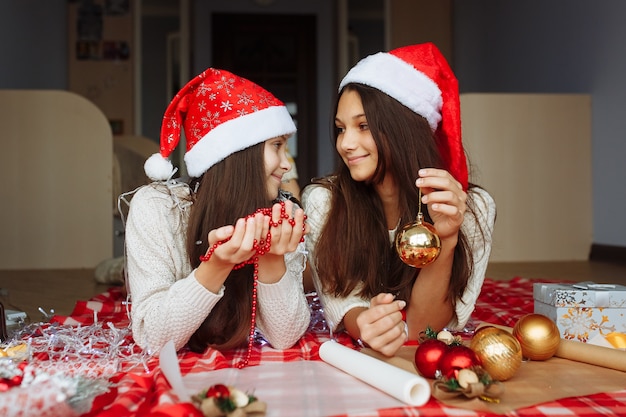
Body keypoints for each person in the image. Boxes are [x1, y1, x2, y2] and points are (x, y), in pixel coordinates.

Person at [302, 43, 496, 357]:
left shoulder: (472, 208)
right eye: (340, 129)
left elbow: (423, 329)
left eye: (363, 126)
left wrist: (446, 238)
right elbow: (344, 303)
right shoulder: (324, 201)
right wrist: (365, 321)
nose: (346, 144)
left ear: (404, 129)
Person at [125, 68, 311, 365]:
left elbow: (285, 336)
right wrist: (216, 266)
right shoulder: (158, 208)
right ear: (240, 154)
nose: (287, 164)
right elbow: (152, 337)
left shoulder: (277, 213)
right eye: (277, 146)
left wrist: (272, 257)